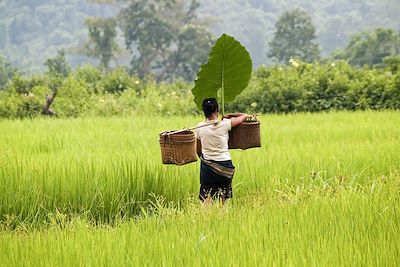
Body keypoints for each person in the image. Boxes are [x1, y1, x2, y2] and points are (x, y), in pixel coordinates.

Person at [195, 98, 248, 203]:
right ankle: (222, 217)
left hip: (207, 167)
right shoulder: (225, 124)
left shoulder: (199, 127)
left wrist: (205, 162)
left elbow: (198, 150)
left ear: (204, 112)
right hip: (225, 166)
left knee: (207, 198)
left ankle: (208, 218)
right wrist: (230, 116)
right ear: (217, 110)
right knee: (223, 198)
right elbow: (244, 116)